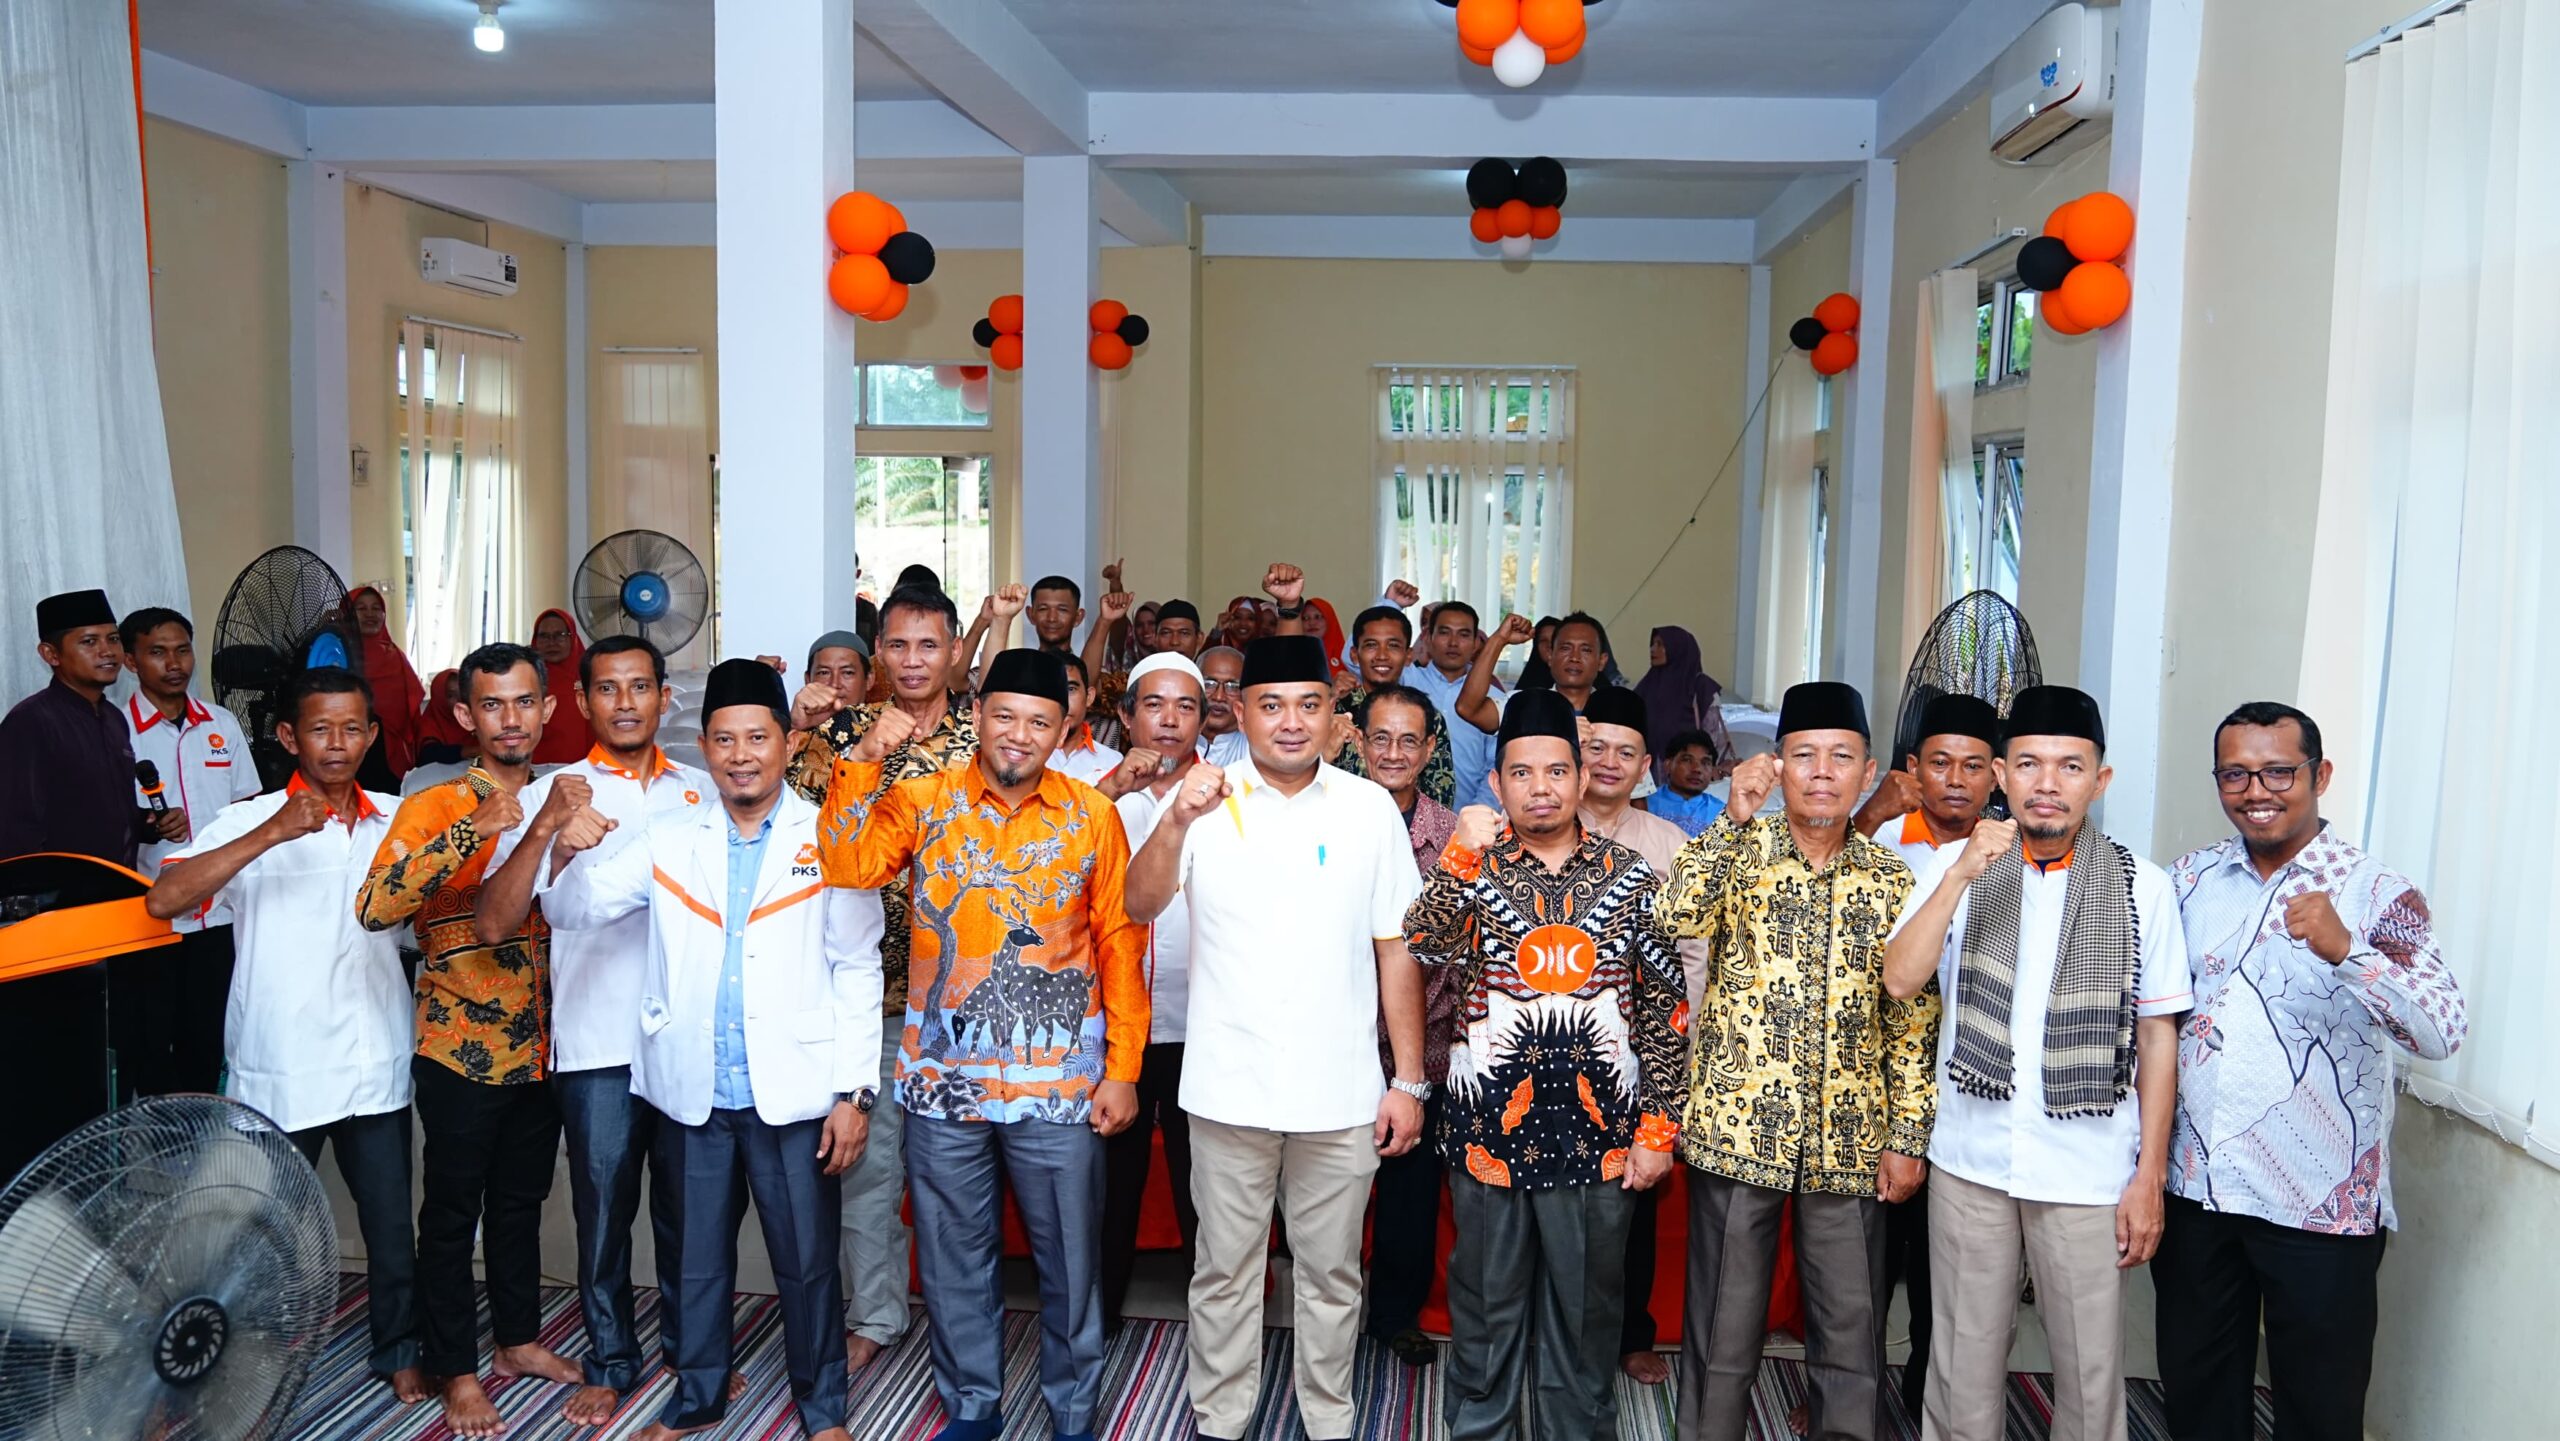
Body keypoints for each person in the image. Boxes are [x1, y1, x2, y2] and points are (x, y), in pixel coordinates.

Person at [540, 657, 883, 1441]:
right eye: (724, 739)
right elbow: (572, 910)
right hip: (693, 1088)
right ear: (703, 747)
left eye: (757, 737)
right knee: (695, 1261)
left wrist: (853, 1093)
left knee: (807, 1262)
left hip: (794, 1088)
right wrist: (563, 848)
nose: (740, 755)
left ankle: (823, 1409)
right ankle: (696, 1398)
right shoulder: (668, 837)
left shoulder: (828, 834)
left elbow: (858, 966)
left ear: (787, 742)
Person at [816, 648, 1148, 1441]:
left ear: (1063, 730)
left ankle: (1074, 1410)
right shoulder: (923, 799)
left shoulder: (1091, 814)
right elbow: (847, 863)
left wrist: (1124, 1068)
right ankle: (972, 1403)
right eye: (1004, 715)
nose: (1019, 734)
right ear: (976, 717)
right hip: (944, 1078)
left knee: (1069, 1255)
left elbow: (1120, 941)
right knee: (953, 1249)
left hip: (1060, 1083)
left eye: (1039, 721)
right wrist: (863, 758)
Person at [1124, 634, 1429, 1441]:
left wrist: (1408, 1078)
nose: (1290, 721)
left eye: (1308, 705)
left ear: (1334, 716)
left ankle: (1328, 1418)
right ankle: (1221, 1418)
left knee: (1331, 1274)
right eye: (1271, 705)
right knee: (1225, 1272)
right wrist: (1174, 819)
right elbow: (1140, 903)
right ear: (1241, 712)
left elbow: (1396, 948)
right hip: (1227, 1089)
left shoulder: (1368, 809)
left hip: (1341, 1094)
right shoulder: (1201, 799)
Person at [1880, 685, 2190, 1441]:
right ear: (2002, 775)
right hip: (1971, 1155)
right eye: (2028, 764)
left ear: (2099, 780)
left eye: (2069, 766)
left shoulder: (2142, 886)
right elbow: (1900, 979)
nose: (2047, 783)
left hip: (2088, 1167)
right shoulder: (1956, 863)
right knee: (1960, 1362)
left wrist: (2149, 1177)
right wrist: (1959, 875)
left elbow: (2158, 1037)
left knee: (2089, 1369)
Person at [2155, 702, 2467, 1441]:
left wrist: (2349, 951)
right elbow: (2154, 1022)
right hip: (2197, 1191)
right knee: (2198, 1398)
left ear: (2320, 775)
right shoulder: (2187, 881)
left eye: (2278, 772)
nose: (2255, 791)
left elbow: (2442, 1029)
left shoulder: (2377, 892)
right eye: (2235, 774)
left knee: (2320, 1411)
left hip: (2319, 1205)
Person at [1404, 688, 1689, 1441]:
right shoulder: (1475, 868)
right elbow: (1423, 943)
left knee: (1586, 1314)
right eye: (1522, 773)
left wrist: (1658, 1128)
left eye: (1557, 771)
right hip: (1489, 1134)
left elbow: (1664, 1008)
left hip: (1600, 1138)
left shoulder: (1631, 877)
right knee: (1484, 1307)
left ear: (1581, 777)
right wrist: (1461, 854)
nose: (1541, 788)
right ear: (1497, 782)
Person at [1657, 681, 1939, 1441]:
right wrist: (1731, 817)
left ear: (1868, 772)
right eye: (1804, 755)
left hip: (1850, 1137)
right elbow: (1673, 913)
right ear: (1777, 764)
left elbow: (1911, 1019)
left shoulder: (1893, 879)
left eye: (1840, 757)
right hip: (1739, 1129)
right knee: (1723, 1329)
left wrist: (1908, 1135)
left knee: (1850, 1335)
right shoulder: (1740, 849)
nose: (1821, 772)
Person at [144, 665, 426, 1404]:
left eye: (352, 728)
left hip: (373, 1053)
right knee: (256, 1224)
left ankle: (399, 1348)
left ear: (371, 735)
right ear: (288, 736)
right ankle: (247, 1357)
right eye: (319, 729)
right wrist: (272, 831)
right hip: (281, 1060)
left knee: (390, 1220)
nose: (336, 743)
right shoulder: (249, 818)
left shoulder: (399, 819)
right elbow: (165, 898)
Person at [472, 635, 710, 1424]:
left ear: (664, 697)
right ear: (580, 702)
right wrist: (551, 839)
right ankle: (609, 1361)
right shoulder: (553, 793)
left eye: (640, 686)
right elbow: (500, 916)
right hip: (596, 1038)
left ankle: (692, 1353)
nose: (625, 702)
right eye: (607, 688)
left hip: (682, 1039)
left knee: (687, 1211)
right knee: (603, 1212)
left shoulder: (703, 790)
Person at [355, 641, 581, 1437]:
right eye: (492, 704)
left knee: (520, 1202)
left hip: (544, 1043)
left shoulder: (567, 794)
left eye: (523, 701)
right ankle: (456, 1367)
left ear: (548, 708)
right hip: (457, 1046)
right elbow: (375, 909)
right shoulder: (436, 803)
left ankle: (516, 1339)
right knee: (452, 1214)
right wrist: (470, 829)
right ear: (464, 715)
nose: (510, 718)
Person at [783, 584, 980, 1370]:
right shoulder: (845, 732)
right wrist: (812, 732)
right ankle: (875, 1312)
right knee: (868, 1168)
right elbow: (792, 819)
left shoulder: (987, 734)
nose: (912, 660)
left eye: (928, 645)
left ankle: (965, 1320)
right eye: (897, 645)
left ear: (955, 648)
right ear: (878, 655)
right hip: (872, 992)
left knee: (959, 1176)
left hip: (966, 997)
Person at [1845, 689, 2000, 1423]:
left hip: (1969, 1085)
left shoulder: (2014, 853)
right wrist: (1870, 814)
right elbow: (1817, 888)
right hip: (1874, 1078)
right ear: (1913, 767)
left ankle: (1927, 1393)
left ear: (1997, 775)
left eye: (1974, 765)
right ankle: (1848, 1393)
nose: (1957, 780)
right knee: (1863, 1256)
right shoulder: (1879, 837)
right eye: (1941, 763)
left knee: (1949, 1264)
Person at [1574, 686, 1714, 1385]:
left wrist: (1680, 1052)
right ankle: (1553, 1336)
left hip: (1642, 1053)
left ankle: (1632, 1333)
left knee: (1633, 1196)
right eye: (1596, 747)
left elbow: (1695, 956)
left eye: (1624, 752)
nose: (1609, 761)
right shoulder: (1536, 828)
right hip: (1554, 1047)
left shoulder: (1670, 845)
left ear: (1645, 765)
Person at [1100, 653, 1210, 1333]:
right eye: (1154, 704)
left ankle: (1216, 1322)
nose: (1170, 720)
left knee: (1208, 1185)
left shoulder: (1226, 794)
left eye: (1186, 706)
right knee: (1112, 1181)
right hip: (1118, 1026)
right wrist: (1112, 788)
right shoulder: (1093, 790)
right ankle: (1099, 1314)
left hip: (1205, 1023)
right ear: (1126, 714)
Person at [1356, 683, 1462, 1367]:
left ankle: (1395, 1315)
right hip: (1337, 1040)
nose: (1394, 753)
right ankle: (1326, 1314)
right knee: (1326, 1191)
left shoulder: (1453, 836)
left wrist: (1418, 1055)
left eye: (1408, 740)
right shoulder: (1331, 818)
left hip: (1426, 1044)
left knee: (1410, 1192)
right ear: (1359, 743)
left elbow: (1460, 949)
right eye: (1381, 738)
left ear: (1428, 749)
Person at [119, 605, 260, 1096]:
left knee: (207, 1036)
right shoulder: (117, 730)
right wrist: (147, 825)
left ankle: (199, 1126)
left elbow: (247, 808)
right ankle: (157, 1129)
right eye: (157, 652)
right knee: (150, 1042)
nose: (174, 663)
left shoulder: (221, 723)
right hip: (149, 917)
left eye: (182, 650)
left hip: (219, 912)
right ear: (131, 661)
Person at [0, 589, 147, 866]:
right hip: (61, 889)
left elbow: (95, 811)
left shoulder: (114, 718)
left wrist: (148, 823)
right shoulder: (30, 722)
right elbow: (15, 829)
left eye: (113, 639)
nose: (107, 651)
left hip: (119, 883)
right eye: (89, 642)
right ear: (51, 654)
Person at [1322, 597, 1457, 808]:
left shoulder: (1426, 716)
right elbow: (1298, 784)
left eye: (1393, 646)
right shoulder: (1333, 712)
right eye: (1371, 645)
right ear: (1355, 655)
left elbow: (1441, 794)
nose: (1382, 655)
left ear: (1408, 655)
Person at [1400, 599, 1511, 812]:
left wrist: (1474, 816)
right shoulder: (1405, 681)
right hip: (1403, 815)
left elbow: (1496, 765)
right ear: (1428, 638)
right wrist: (1390, 603)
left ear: (1476, 643)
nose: (1453, 642)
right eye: (1444, 633)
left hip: (1467, 817)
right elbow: (1358, 664)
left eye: (1463, 634)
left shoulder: (1492, 700)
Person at [346, 585, 427, 787]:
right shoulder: (339, 654)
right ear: (346, 613)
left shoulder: (395, 655)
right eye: (361, 608)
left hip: (392, 748)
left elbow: (412, 705)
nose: (370, 614)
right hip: (350, 744)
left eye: (376, 608)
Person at [1635, 626, 1734, 787]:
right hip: (1649, 776)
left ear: (1677, 648)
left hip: (1690, 775)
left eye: (1660, 644)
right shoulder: (1647, 686)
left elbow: (1711, 737)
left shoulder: (1700, 687)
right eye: (1652, 644)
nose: (1653, 649)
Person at [1047, 653, 1126, 790]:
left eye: (1071, 689)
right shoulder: (1023, 755)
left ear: (1089, 697)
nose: (1062, 700)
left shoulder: (1113, 763)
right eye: (1051, 689)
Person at [529, 607, 594, 766]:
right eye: (544, 636)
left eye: (560, 635)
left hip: (588, 768)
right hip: (534, 768)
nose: (552, 642)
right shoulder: (525, 678)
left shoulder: (592, 674)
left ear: (573, 637)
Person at [1647, 731, 1730, 838]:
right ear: (1668, 765)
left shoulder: (1722, 813)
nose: (1697, 769)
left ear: (1712, 771)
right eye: (1687, 760)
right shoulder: (1645, 803)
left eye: (1705, 763)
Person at [1194, 644, 1250, 767]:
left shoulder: (1256, 747)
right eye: (1209, 684)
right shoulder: (1174, 739)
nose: (1219, 697)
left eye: (1232, 686)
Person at [803, 630, 871, 722]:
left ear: (869, 680)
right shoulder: (793, 726)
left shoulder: (884, 726)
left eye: (847, 673)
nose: (834, 684)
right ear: (808, 680)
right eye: (824, 673)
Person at [1028, 574, 1086, 655]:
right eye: (1043, 609)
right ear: (1030, 615)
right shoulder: (1019, 662)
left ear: (1078, 617)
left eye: (1062, 610)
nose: (1052, 618)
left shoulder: (1083, 663)